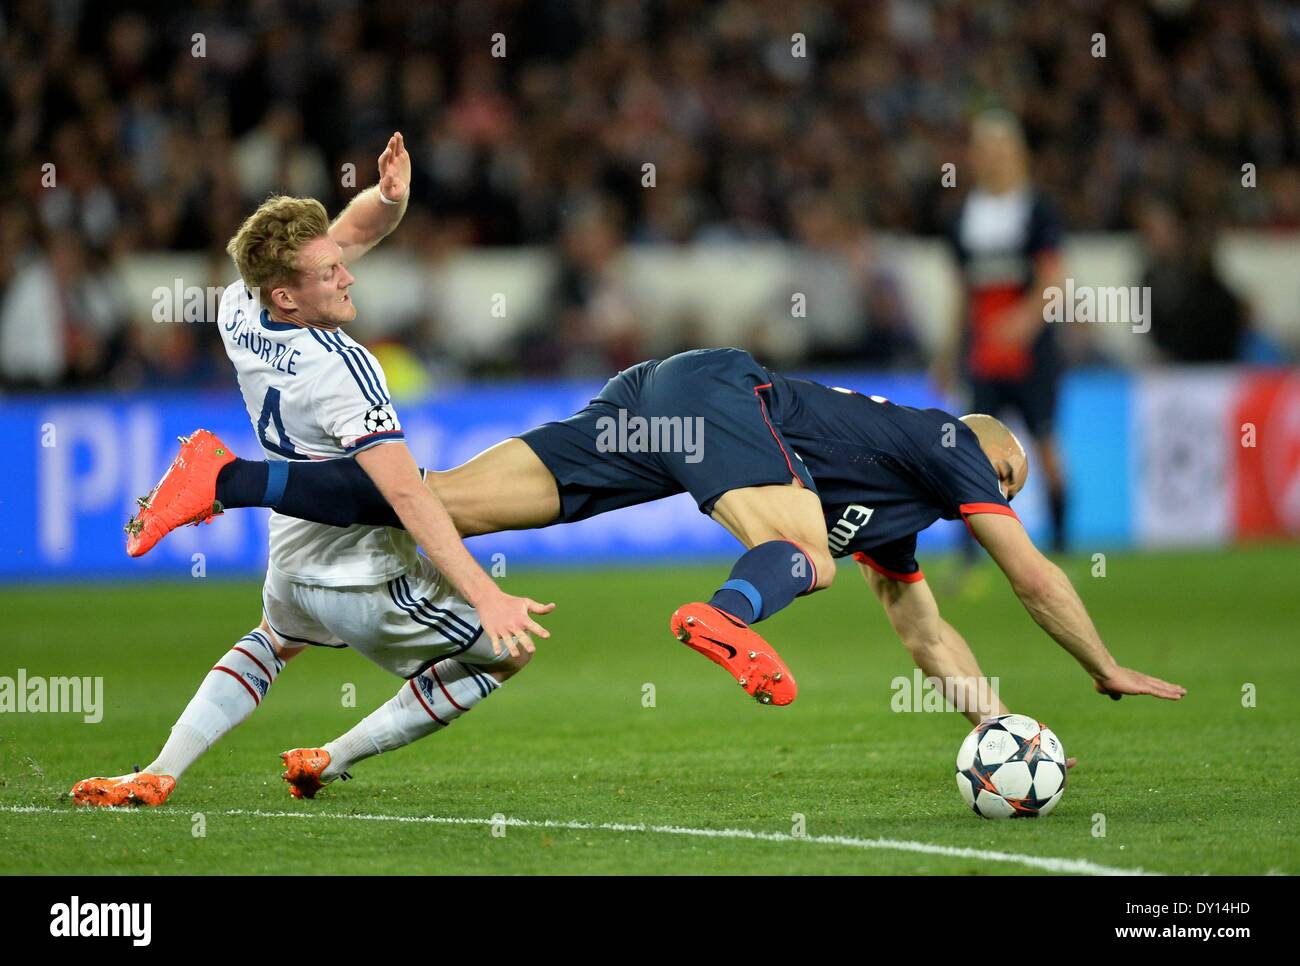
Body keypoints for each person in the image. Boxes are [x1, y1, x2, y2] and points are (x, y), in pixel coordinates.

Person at [129, 345, 1186, 728]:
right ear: (997, 467)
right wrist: (1101, 666)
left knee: (436, 501)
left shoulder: (896, 519)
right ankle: (724, 612)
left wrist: (992, 723)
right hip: (721, 392)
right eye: (1003, 488)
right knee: (801, 556)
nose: (997, 501)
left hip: (656, 401)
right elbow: (1032, 574)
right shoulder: (958, 442)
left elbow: (927, 639)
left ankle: (219, 477)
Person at [72, 133, 554, 808]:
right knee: (508, 651)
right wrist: (485, 594)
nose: (348, 274)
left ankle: (159, 770)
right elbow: (406, 497)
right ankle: (333, 757)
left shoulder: (240, 307)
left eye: (337, 265)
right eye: (330, 274)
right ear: (290, 297)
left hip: (292, 548)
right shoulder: (345, 368)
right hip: (363, 576)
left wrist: (388, 200)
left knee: (273, 640)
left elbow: (351, 233)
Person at [936, 111, 1070, 552]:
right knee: (970, 450)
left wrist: (1025, 320)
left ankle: (1061, 546)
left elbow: (1053, 280)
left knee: (1046, 444)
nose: (992, 158)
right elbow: (963, 293)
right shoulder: (962, 218)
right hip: (983, 354)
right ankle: (970, 556)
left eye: (1001, 149)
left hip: (1031, 354)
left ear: (1018, 154)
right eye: (984, 149)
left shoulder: (1037, 211)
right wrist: (948, 351)